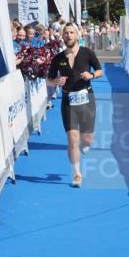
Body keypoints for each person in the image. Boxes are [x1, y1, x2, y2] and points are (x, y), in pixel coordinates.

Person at [47, 23, 104, 187]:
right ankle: (77, 173)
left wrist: (91, 75)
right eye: (66, 33)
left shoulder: (87, 53)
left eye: (72, 32)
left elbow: (100, 71)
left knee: (87, 140)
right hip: (68, 101)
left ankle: (84, 144)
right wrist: (56, 81)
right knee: (72, 139)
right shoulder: (58, 58)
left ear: (77, 35)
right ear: (62, 36)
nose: (69, 35)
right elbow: (48, 81)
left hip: (86, 99)